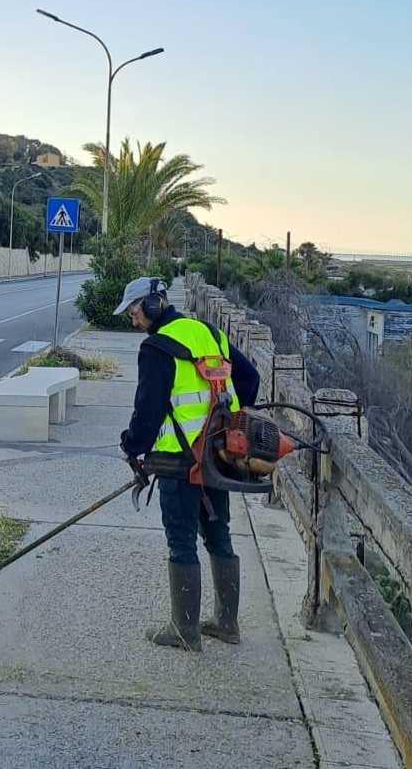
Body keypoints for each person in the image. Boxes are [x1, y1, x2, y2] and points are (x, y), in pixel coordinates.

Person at [115, 276, 260, 651]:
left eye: (133, 312)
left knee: (181, 541)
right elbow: (250, 377)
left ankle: (184, 630)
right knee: (218, 534)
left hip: (179, 462)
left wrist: (132, 447)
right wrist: (228, 420)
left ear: (150, 305)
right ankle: (227, 624)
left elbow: (147, 413)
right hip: (216, 456)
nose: (133, 321)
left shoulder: (157, 347)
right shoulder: (207, 332)